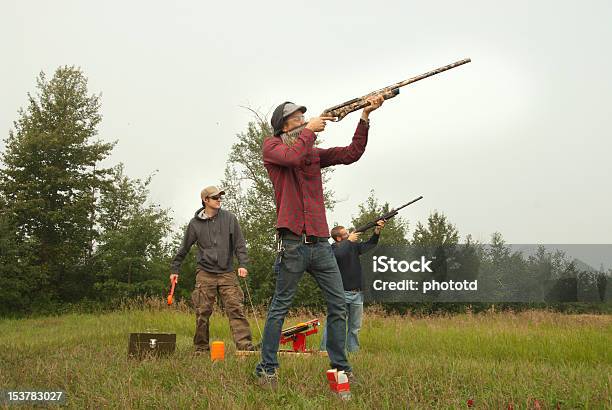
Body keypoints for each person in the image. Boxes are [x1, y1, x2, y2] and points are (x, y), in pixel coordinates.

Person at [254, 95, 385, 386]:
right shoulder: (272, 147)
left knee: (339, 305)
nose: (304, 121)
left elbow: (352, 153)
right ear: (283, 126)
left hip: (321, 244)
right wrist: (310, 130)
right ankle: (267, 369)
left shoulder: (311, 153)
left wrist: (364, 116)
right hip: (292, 244)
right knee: (280, 307)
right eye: (298, 120)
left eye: (304, 118)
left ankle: (341, 368)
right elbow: (292, 157)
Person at [170, 186, 254, 353]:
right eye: (215, 197)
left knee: (236, 309)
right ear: (205, 200)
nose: (219, 200)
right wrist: (175, 269)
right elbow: (184, 247)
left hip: (227, 272)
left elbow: (240, 244)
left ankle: (245, 348)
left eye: (220, 197)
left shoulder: (230, 218)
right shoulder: (194, 224)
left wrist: (243, 264)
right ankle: (201, 348)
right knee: (202, 312)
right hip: (205, 273)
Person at [320, 220, 385, 353]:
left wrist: (377, 231)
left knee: (355, 327)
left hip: (358, 294)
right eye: (346, 234)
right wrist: (348, 241)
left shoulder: (353, 246)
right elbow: (338, 255)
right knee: (334, 325)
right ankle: (325, 351)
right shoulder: (332, 249)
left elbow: (370, 245)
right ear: (338, 238)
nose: (349, 234)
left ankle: (353, 352)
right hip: (340, 293)